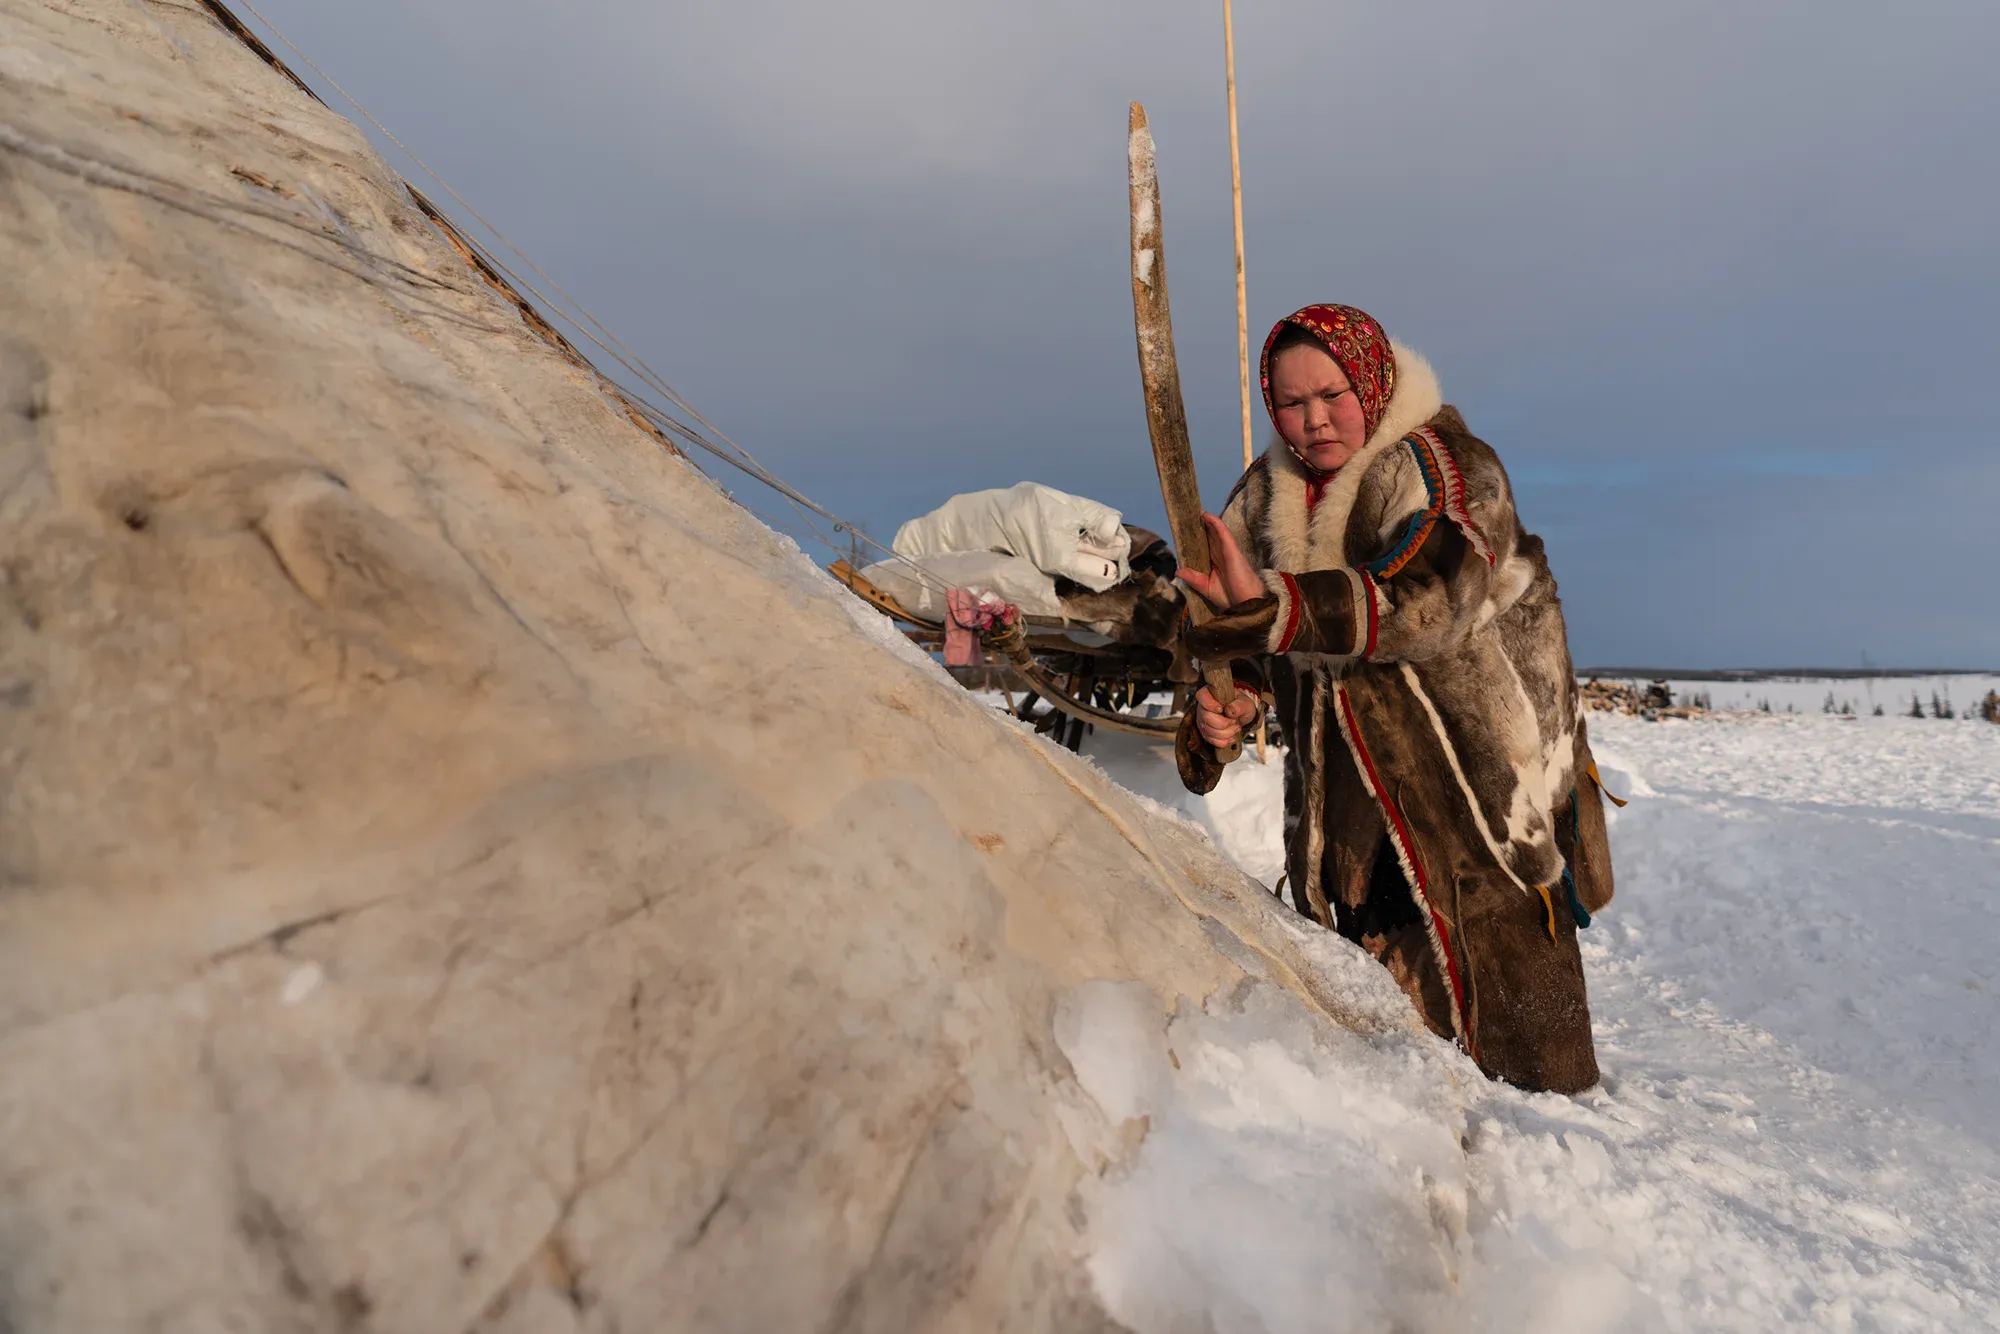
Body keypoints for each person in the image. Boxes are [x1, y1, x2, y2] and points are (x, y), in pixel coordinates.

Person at [1174, 303, 1615, 1094]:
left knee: (1505, 983)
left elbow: (1435, 593)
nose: (1311, 423)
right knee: (1368, 1018)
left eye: (1331, 395)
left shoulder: (1446, 464)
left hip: (1475, 773)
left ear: (1372, 380)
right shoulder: (1266, 494)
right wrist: (1228, 697)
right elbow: (1227, 619)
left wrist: (1282, 607)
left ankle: (1549, 1155)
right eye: (1290, 403)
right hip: (1346, 786)